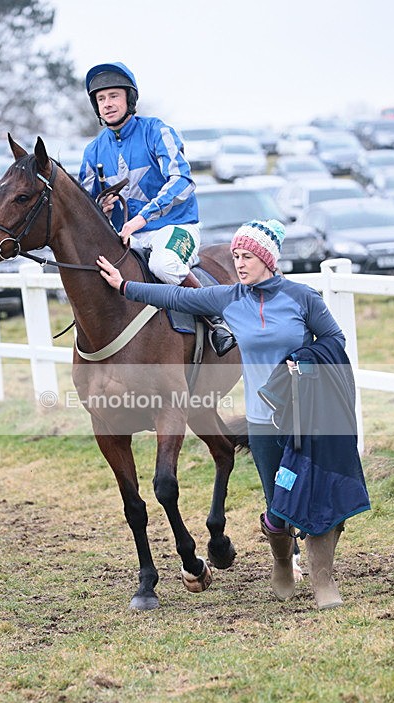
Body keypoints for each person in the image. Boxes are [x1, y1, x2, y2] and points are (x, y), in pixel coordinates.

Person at [96, 218, 370, 611]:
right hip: (263, 421)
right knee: (278, 508)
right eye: (237, 256)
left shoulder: (302, 297)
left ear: (267, 259)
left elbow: (334, 339)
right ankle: (280, 560)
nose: (240, 263)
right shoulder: (228, 298)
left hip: (308, 414)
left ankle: (323, 581)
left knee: (317, 496)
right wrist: (123, 286)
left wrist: (303, 360)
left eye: (248, 256)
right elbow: (173, 298)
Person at [79, 61, 233, 356]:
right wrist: (102, 205)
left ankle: (217, 320)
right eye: (101, 99)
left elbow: (182, 181)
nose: (108, 104)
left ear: (129, 99)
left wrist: (142, 217)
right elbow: (86, 206)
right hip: (127, 236)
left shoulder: (157, 131)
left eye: (113, 96)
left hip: (174, 227)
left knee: (162, 264)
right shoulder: (93, 150)